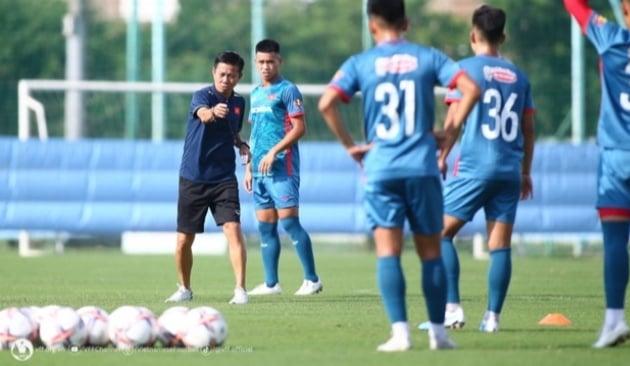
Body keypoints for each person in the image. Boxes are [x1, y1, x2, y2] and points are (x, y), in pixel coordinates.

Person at [318, 0, 480, 352]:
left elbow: (326, 103)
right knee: (430, 252)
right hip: (422, 168)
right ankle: (438, 334)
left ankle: (401, 334)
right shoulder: (428, 57)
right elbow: (471, 89)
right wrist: (449, 132)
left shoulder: (360, 63)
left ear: (372, 25)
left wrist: (350, 146)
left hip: (381, 169)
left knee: (388, 254)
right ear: (406, 23)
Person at [416, 4, 535, 333]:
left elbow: (454, 118)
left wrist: (442, 155)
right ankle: (492, 318)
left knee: (439, 233)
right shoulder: (520, 76)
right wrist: (526, 171)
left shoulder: (464, 70)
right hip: (510, 168)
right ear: (504, 37)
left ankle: (452, 309)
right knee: (500, 245)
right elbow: (529, 129)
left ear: (472, 35)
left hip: (474, 166)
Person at [564, 0, 630, 348]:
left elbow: (574, 4)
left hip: (617, 158)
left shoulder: (611, 36)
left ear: (626, 9)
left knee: (615, 240)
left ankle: (614, 320)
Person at [165, 51, 251, 305]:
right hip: (193, 177)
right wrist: (213, 112)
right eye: (222, 73)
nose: (226, 78)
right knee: (184, 240)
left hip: (224, 178)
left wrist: (242, 145)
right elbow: (203, 115)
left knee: (233, 230)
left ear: (239, 77)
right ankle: (184, 288)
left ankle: (240, 290)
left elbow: (233, 132)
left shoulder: (239, 103)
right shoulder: (202, 96)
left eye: (231, 75)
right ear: (214, 73)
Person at [244, 39, 322, 296]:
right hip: (259, 172)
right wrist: (248, 168)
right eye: (261, 62)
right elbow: (254, 133)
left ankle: (312, 279)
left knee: (289, 223)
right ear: (256, 63)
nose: (266, 66)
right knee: (265, 227)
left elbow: (300, 128)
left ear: (279, 62)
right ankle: (271, 284)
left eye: (270, 61)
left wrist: (275, 151)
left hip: (283, 168)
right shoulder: (255, 93)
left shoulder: (288, 90)